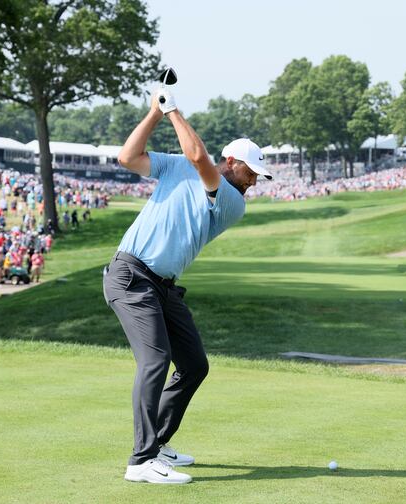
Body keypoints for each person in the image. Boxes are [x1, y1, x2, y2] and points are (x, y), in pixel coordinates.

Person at [105, 86, 272, 485]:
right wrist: (156, 114)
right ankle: (141, 462)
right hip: (131, 276)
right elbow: (127, 157)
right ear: (231, 161)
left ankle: (158, 443)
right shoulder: (178, 164)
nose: (253, 182)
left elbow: (199, 159)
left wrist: (173, 109)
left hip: (162, 286)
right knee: (156, 360)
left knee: (194, 365)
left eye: (257, 177)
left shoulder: (233, 200)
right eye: (250, 172)